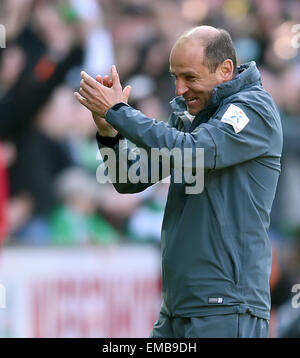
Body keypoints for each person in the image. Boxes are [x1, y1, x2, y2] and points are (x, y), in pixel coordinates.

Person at [74, 26, 283, 338]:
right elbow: (129, 179)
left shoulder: (254, 108)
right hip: (178, 306)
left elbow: (191, 153)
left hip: (226, 305)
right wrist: (109, 130)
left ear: (225, 70)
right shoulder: (191, 116)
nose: (179, 88)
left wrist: (119, 111)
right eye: (174, 76)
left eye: (190, 77)